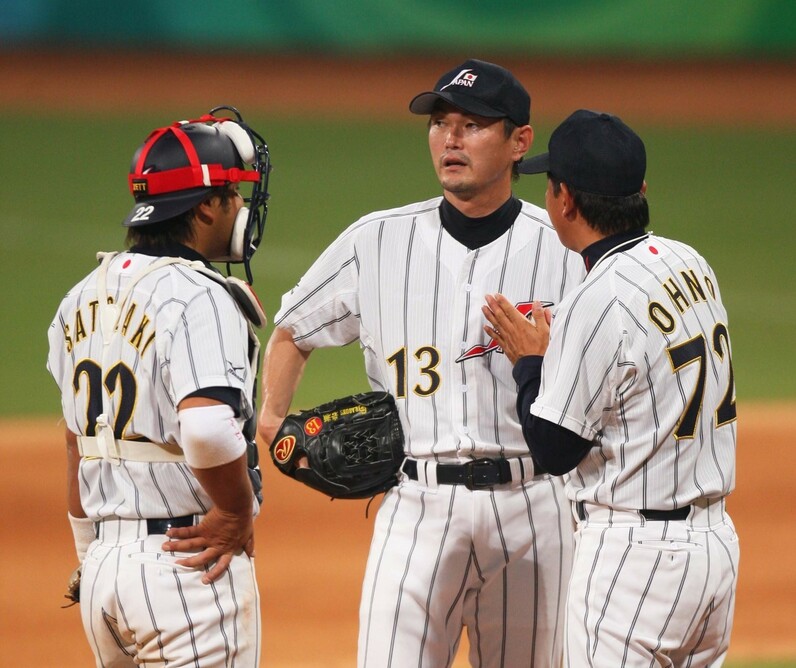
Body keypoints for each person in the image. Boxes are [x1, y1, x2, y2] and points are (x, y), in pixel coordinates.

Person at [257, 60, 585, 667]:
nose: (451, 139)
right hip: (416, 509)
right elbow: (291, 330)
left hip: (536, 508)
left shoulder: (564, 249)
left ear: (520, 141)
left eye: (472, 124)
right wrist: (270, 426)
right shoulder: (375, 240)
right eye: (440, 123)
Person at [482, 109, 740, 666]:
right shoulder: (690, 261)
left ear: (564, 200)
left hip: (636, 563)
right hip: (716, 550)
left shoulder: (596, 298)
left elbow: (555, 449)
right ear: (640, 190)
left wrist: (530, 363)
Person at [46, 106, 272, 667]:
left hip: (103, 570)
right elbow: (208, 427)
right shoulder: (201, 295)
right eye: (233, 195)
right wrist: (236, 513)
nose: (240, 207)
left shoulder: (79, 296)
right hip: (187, 572)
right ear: (205, 206)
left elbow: (77, 442)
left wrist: (88, 554)